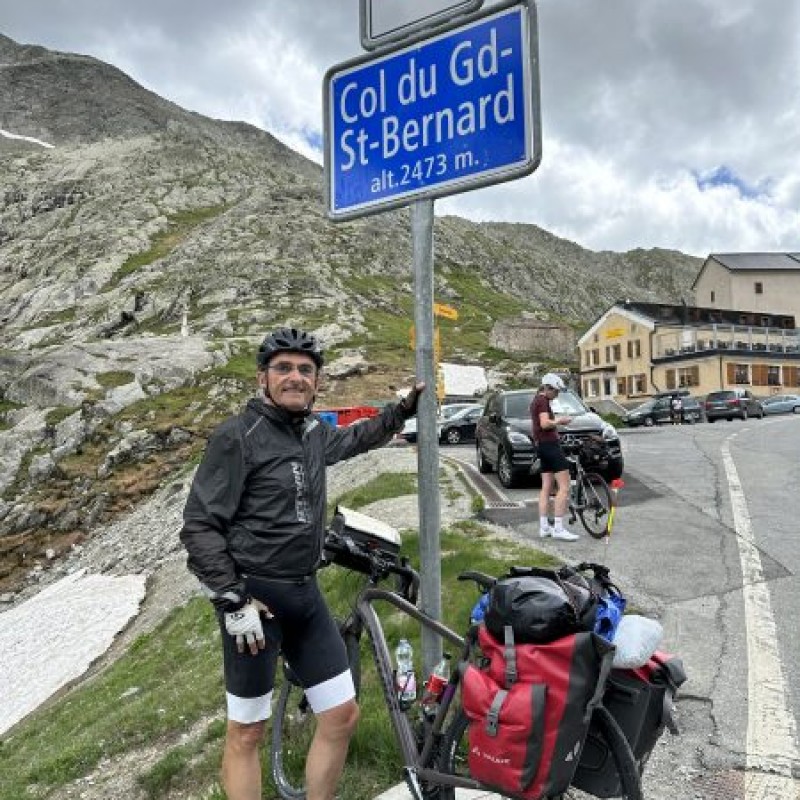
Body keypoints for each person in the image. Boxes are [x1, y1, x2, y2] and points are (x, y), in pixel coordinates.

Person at [179, 327, 423, 800]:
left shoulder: (313, 434)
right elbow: (199, 526)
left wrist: (402, 410)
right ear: (263, 378)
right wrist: (232, 599)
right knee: (247, 731)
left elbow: (358, 438)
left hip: (305, 594)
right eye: (284, 368)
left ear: (317, 382)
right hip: (253, 603)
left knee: (341, 716)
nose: (295, 377)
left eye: (305, 370)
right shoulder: (237, 436)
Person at [531, 373, 579, 542]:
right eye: (556, 391)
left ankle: (544, 527)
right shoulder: (543, 401)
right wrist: (560, 421)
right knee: (564, 487)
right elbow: (544, 424)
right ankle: (558, 528)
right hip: (550, 446)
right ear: (548, 388)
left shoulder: (536, 400)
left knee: (546, 487)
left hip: (542, 447)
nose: (557, 394)